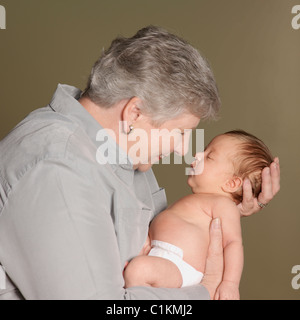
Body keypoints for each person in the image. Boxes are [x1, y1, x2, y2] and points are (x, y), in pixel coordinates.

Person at [0, 26, 280, 300]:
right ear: (135, 112)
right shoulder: (56, 169)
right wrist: (205, 291)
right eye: (181, 133)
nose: (184, 148)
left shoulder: (119, 152)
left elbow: (164, 242)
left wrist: (225, 205)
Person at [123, 130, 278, 299]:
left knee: (138, 271)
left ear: (232, 183)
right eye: (204, 150)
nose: (197, 155)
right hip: (160, 255)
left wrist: (230, 283)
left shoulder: (224, 205)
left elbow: (233, 243)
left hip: (179, 265)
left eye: (209, 156)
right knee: (133, 270)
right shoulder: (201, 200)